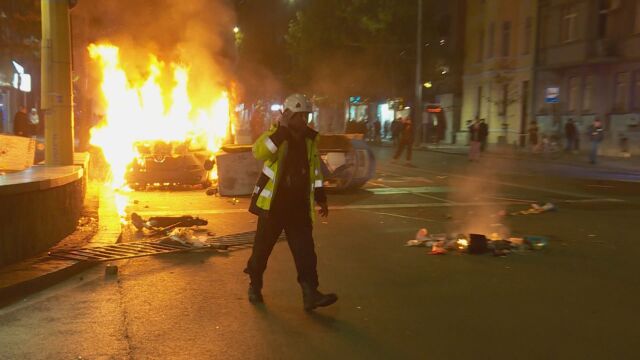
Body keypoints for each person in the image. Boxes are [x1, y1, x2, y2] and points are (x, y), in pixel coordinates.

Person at [245, 93, 337, 311]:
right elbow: (258, 151)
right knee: (261, 250)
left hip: (298, 207)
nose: (304, 121)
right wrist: (281, 132)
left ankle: (310, 294)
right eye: (299, 116)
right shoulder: (277, 135)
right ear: (288, 115)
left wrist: (321, 196)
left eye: (306, 116)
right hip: (274, 207)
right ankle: (254, 285)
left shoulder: (310, 140)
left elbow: (314, 171)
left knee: (306, 252)